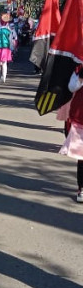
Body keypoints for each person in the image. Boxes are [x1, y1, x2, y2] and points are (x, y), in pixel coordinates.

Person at [59, 65, 83, 203]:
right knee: (82, 157)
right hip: (80, 117)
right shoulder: (78, 69)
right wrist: (80, 77)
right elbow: (72, 87)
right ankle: (81, 187)